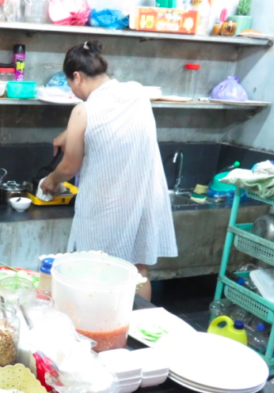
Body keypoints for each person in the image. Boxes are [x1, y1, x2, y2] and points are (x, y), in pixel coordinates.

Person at [40, 40, 177, 300]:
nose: (73, 92)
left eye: (70, 85)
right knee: (138, 271)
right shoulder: (136, 92)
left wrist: (51, 179)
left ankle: (101, 329)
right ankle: (135, 334)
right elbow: (107, 120)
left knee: (97, 273)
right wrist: (66, 134)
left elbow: (70, 166)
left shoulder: (83, 110)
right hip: (145, 198)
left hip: (108, 204)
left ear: (77, 77)